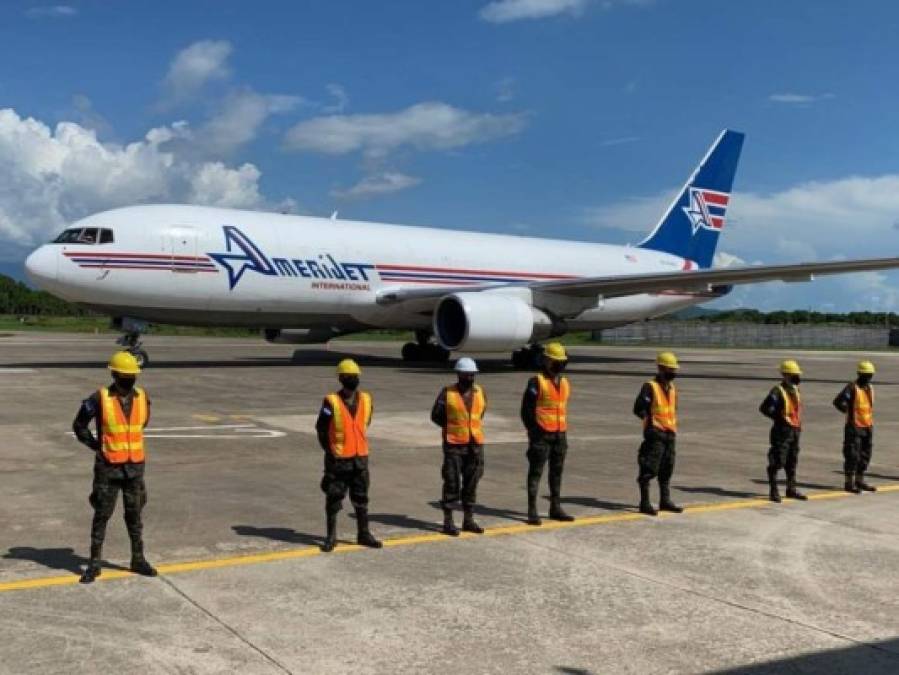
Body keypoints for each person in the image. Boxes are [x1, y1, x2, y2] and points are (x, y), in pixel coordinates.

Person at [72, 351, 157, 583]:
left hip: (135, 468)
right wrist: (95, 445)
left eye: (132, 376)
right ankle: (94, 563)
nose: (129, 380)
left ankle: (138, 559)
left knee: (135, 515)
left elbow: (142, 424)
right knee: (102, 514)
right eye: (125, 376)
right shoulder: (99, 398)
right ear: (114, 374)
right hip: (108, 468)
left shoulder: (143, 397)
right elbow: (79, 425)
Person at [315, 359, 382, 552]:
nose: (353, 379)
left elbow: (365, 422)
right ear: (342, 379)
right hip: (338, 459)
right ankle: (331, 537)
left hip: (360, 458)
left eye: (355, 377)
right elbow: (321, 429)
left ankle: (364, 533)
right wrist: (330, 451)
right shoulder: (331, 402)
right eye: (349, 377)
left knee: (361, 498)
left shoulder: (367, 399)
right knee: (334, 498)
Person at [431, 357, 486, 536]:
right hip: (454, 445)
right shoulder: (447, 393)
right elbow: (436, 415)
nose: (470, 378)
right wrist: (452, 427)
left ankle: (468, 519)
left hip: (474, 445)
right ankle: (448, 521)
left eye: (472, 375)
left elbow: (480, 414)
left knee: (472, 483)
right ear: (459, 374)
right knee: (452, 482)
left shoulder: (480, 392)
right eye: (466, 375)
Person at [520, 342, 574, 525]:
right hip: (541, 435)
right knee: (536, 472)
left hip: (560, 434)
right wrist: (535, 432)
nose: (559, 365)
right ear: (546, 361)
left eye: (562, 362)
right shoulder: (536, 382)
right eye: (555, 361)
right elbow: (526, 411)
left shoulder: (565, 383)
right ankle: (532, 510)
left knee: (556, 473)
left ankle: (555, 507)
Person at [633, 351, 683, 516]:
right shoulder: (650, 386)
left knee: (667, 468)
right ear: (661, 368)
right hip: (655, 434)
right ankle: (644, 502)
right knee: (649, 468)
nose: (673, 373)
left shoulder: (672, 388)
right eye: (670, 369)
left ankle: (665, 500)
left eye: (674, 370)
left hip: (670, 433)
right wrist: (650, 422)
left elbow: (673, 410)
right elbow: (638, 408)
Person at [759, 360, 807, 503]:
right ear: (785, 375)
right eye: (794, 375)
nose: (797, 377)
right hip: (782, 431)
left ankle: (791, 489)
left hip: (795, 430)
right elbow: (764, 408)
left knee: (792, 461)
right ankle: (773, 489)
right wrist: (778, 418)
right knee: (778, 460)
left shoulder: (796, 390)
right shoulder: (777, 391)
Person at [833, 360, 877, 493]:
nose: (869, 377)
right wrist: (848, 411)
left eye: (870, 375)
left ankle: (860, 480)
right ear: (860, 374)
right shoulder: (852, 387)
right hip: (854, 427)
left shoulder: (870, 388)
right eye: (866, 375)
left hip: (867, 425)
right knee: (852, 454)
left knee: (865, 455)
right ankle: (849, 482)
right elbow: (838, 402)